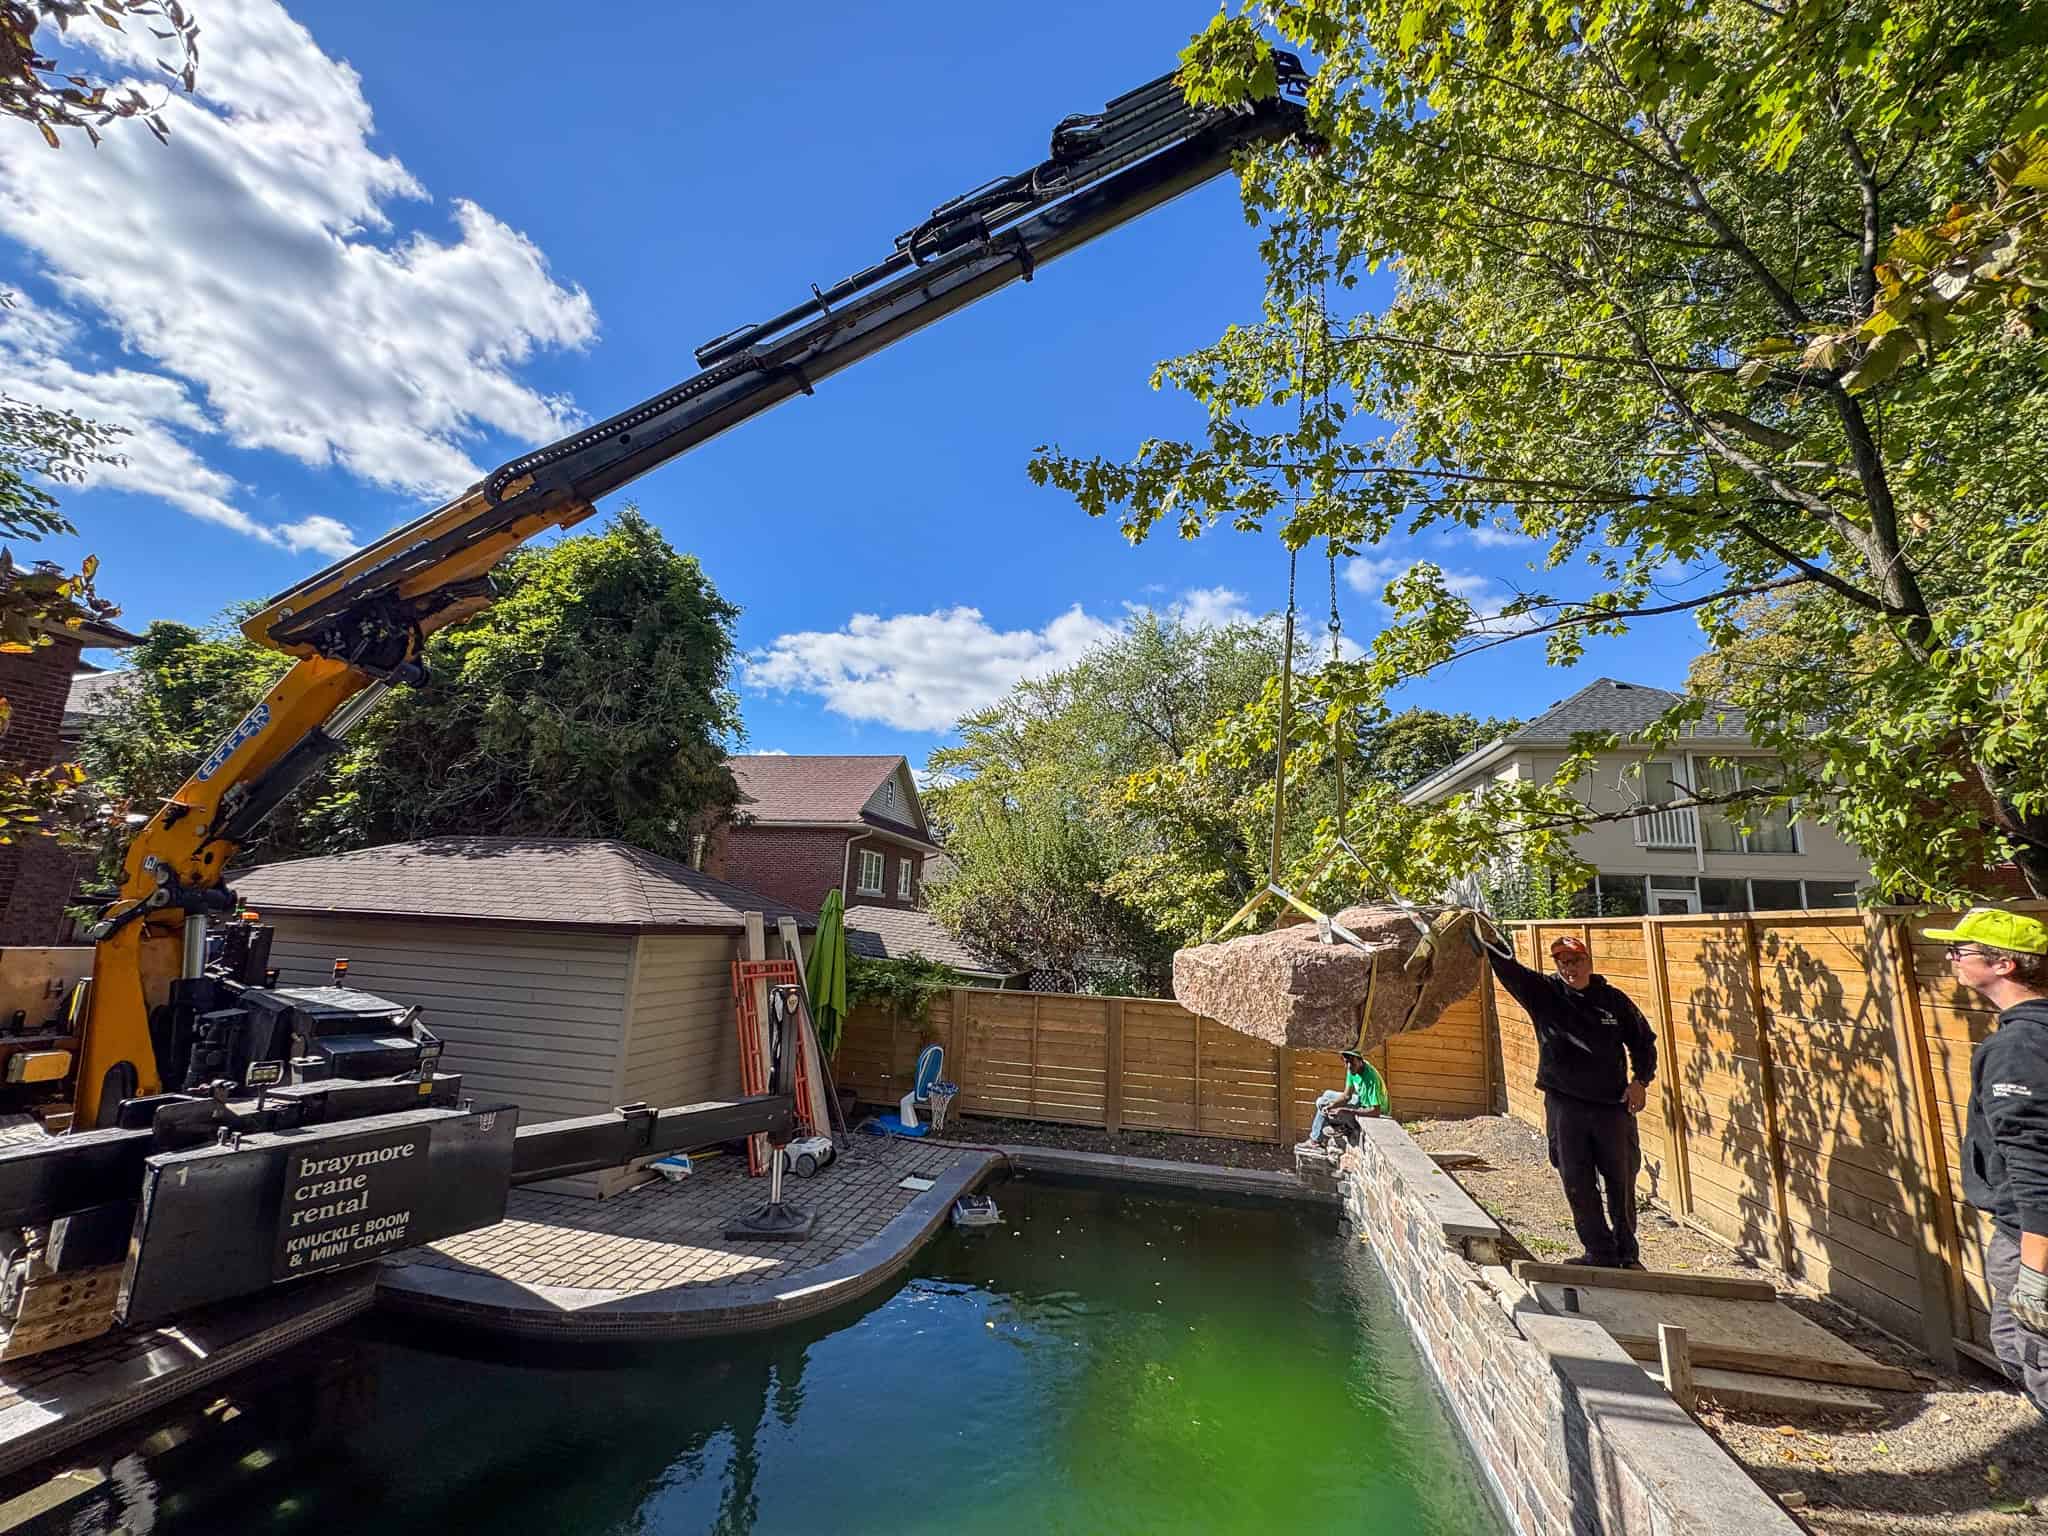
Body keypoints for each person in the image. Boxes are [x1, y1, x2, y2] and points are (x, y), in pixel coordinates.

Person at [1930, 906, 2048, 1413]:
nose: (1952, 958)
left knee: (2031, 1354)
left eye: (1962, 950)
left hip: (2029, 1236)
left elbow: (2034, 1167)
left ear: (2005, 965)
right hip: (2025, 1232)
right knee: (2011, 1341)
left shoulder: (2017, 1049)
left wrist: (2035, 1273)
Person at [1487, 931, 1658, 1269]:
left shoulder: (1613, 1000)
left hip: (1612, 1107)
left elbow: (1643, 1041)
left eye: (1576, 960)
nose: (1570, 967)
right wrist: (1486, 935)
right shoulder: (1545, 994)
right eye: (1563, 962)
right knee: (1576, 1180)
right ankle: (1599, 1252)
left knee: (1621, 1181)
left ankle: (1627, 1254)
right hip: (1565, 1105)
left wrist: (1641, 1081)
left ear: (1588, 961)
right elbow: (1508, 968)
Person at [1302, 1047, 1387, 1148]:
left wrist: (1347, 1111)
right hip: (1362, 1101)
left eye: (1352, 1063)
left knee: (1329, 1107)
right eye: (1346, 1062)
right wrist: (1332, 1105)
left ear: (1360, 1061)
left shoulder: (1371, 1079)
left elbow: (1376, 1112)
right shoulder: (1353, 1069)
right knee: (1325, 1098)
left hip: (1374, 1110)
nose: (1349, 1066)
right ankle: (1334, 1127)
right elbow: (1346, 1096)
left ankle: (1317, 1139)